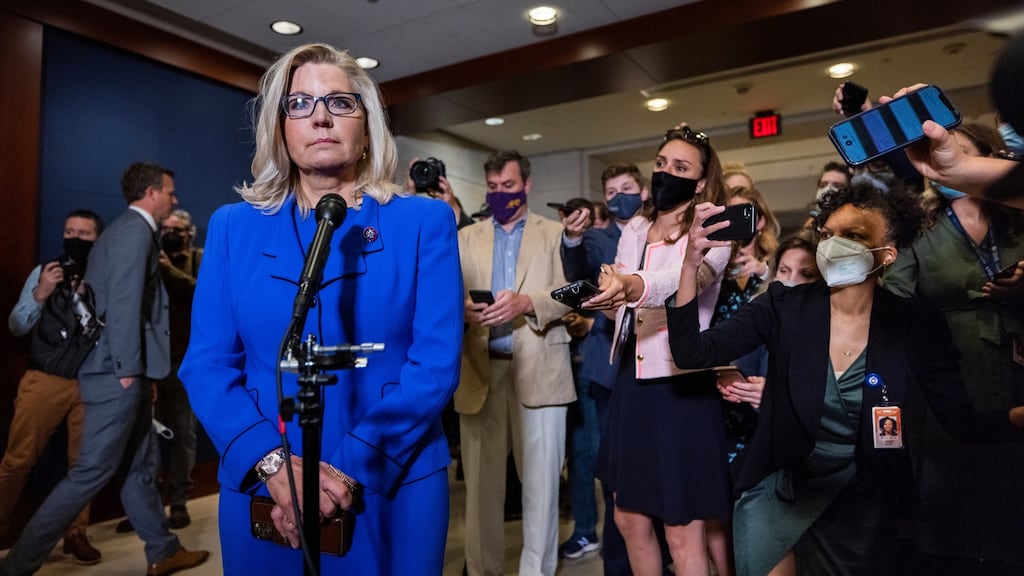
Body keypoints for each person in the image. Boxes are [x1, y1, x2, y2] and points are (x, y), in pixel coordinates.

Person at [176, 43, 463, 575]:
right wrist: (273, 465)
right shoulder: (232, 227)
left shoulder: (425, 223)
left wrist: (344, 474)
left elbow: (436, 365)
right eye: (300, 103)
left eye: (340, 103)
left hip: (391, 476)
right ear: (279, 125)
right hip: (265, 480)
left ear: (367, 123)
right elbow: (207, 365)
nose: (322, 117)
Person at [668, 181, 1024, 576]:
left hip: (862, 500)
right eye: (828, 234)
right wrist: (689, 264)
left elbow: (960, 420)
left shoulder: (913, 325)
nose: (833, 245)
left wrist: (1016, 418)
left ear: (887, 254)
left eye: (853, 236)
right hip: (783, 489)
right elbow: (690, 352)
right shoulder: (784, 306)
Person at [0, 163, 210, 576]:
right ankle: (17, 565)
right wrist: (130, 370)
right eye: (170, 191)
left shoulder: (121, 231)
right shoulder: (135, 233)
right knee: (89, 473)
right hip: (118, 376)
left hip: (122, 373)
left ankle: (163, 551)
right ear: (151, 192)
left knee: (140, 467)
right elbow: (125, 304)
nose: (175, 198)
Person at [583, 126, 732, 576]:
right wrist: (609, 298)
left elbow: (682, 282)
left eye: (681, 167)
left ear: (702, 181)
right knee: (628, 518)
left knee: (681, 529)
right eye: (663, 163)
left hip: (680, 386)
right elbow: (623, 306)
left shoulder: (714, 229)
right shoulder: (637, 226)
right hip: (631, 380)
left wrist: (631, 286)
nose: (668, 172)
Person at [883, 123, 1024, 573]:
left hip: (1017, 354)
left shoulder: (1017, 217)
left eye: (962, 154)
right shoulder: (919, 227)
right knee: (956, 480)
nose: (949, 164)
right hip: (950, 364)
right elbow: (894, 294)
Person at [457, 149, 575, 576]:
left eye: (508, 187)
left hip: (540, 368)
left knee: (541, 487)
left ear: (527, 185)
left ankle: (536, 571)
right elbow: (446, 295)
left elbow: (573, 292)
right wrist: (463, 311)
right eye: (492, 188)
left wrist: (529, 302)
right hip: (481, 371)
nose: (499, 195)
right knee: (482, 491)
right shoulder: (466, 237)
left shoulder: (555, 233)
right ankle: (482, 569)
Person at [0, 210, 104, 566]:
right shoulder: (46, 271)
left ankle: (76, 533)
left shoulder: (103, 275)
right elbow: (16, 325)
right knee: (17, 461)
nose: (76, 237)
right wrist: (41, 293)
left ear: (97, 238)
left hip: (90, 384)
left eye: (84, 233)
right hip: (45, 380)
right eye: (69, 231)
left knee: (84, 465)